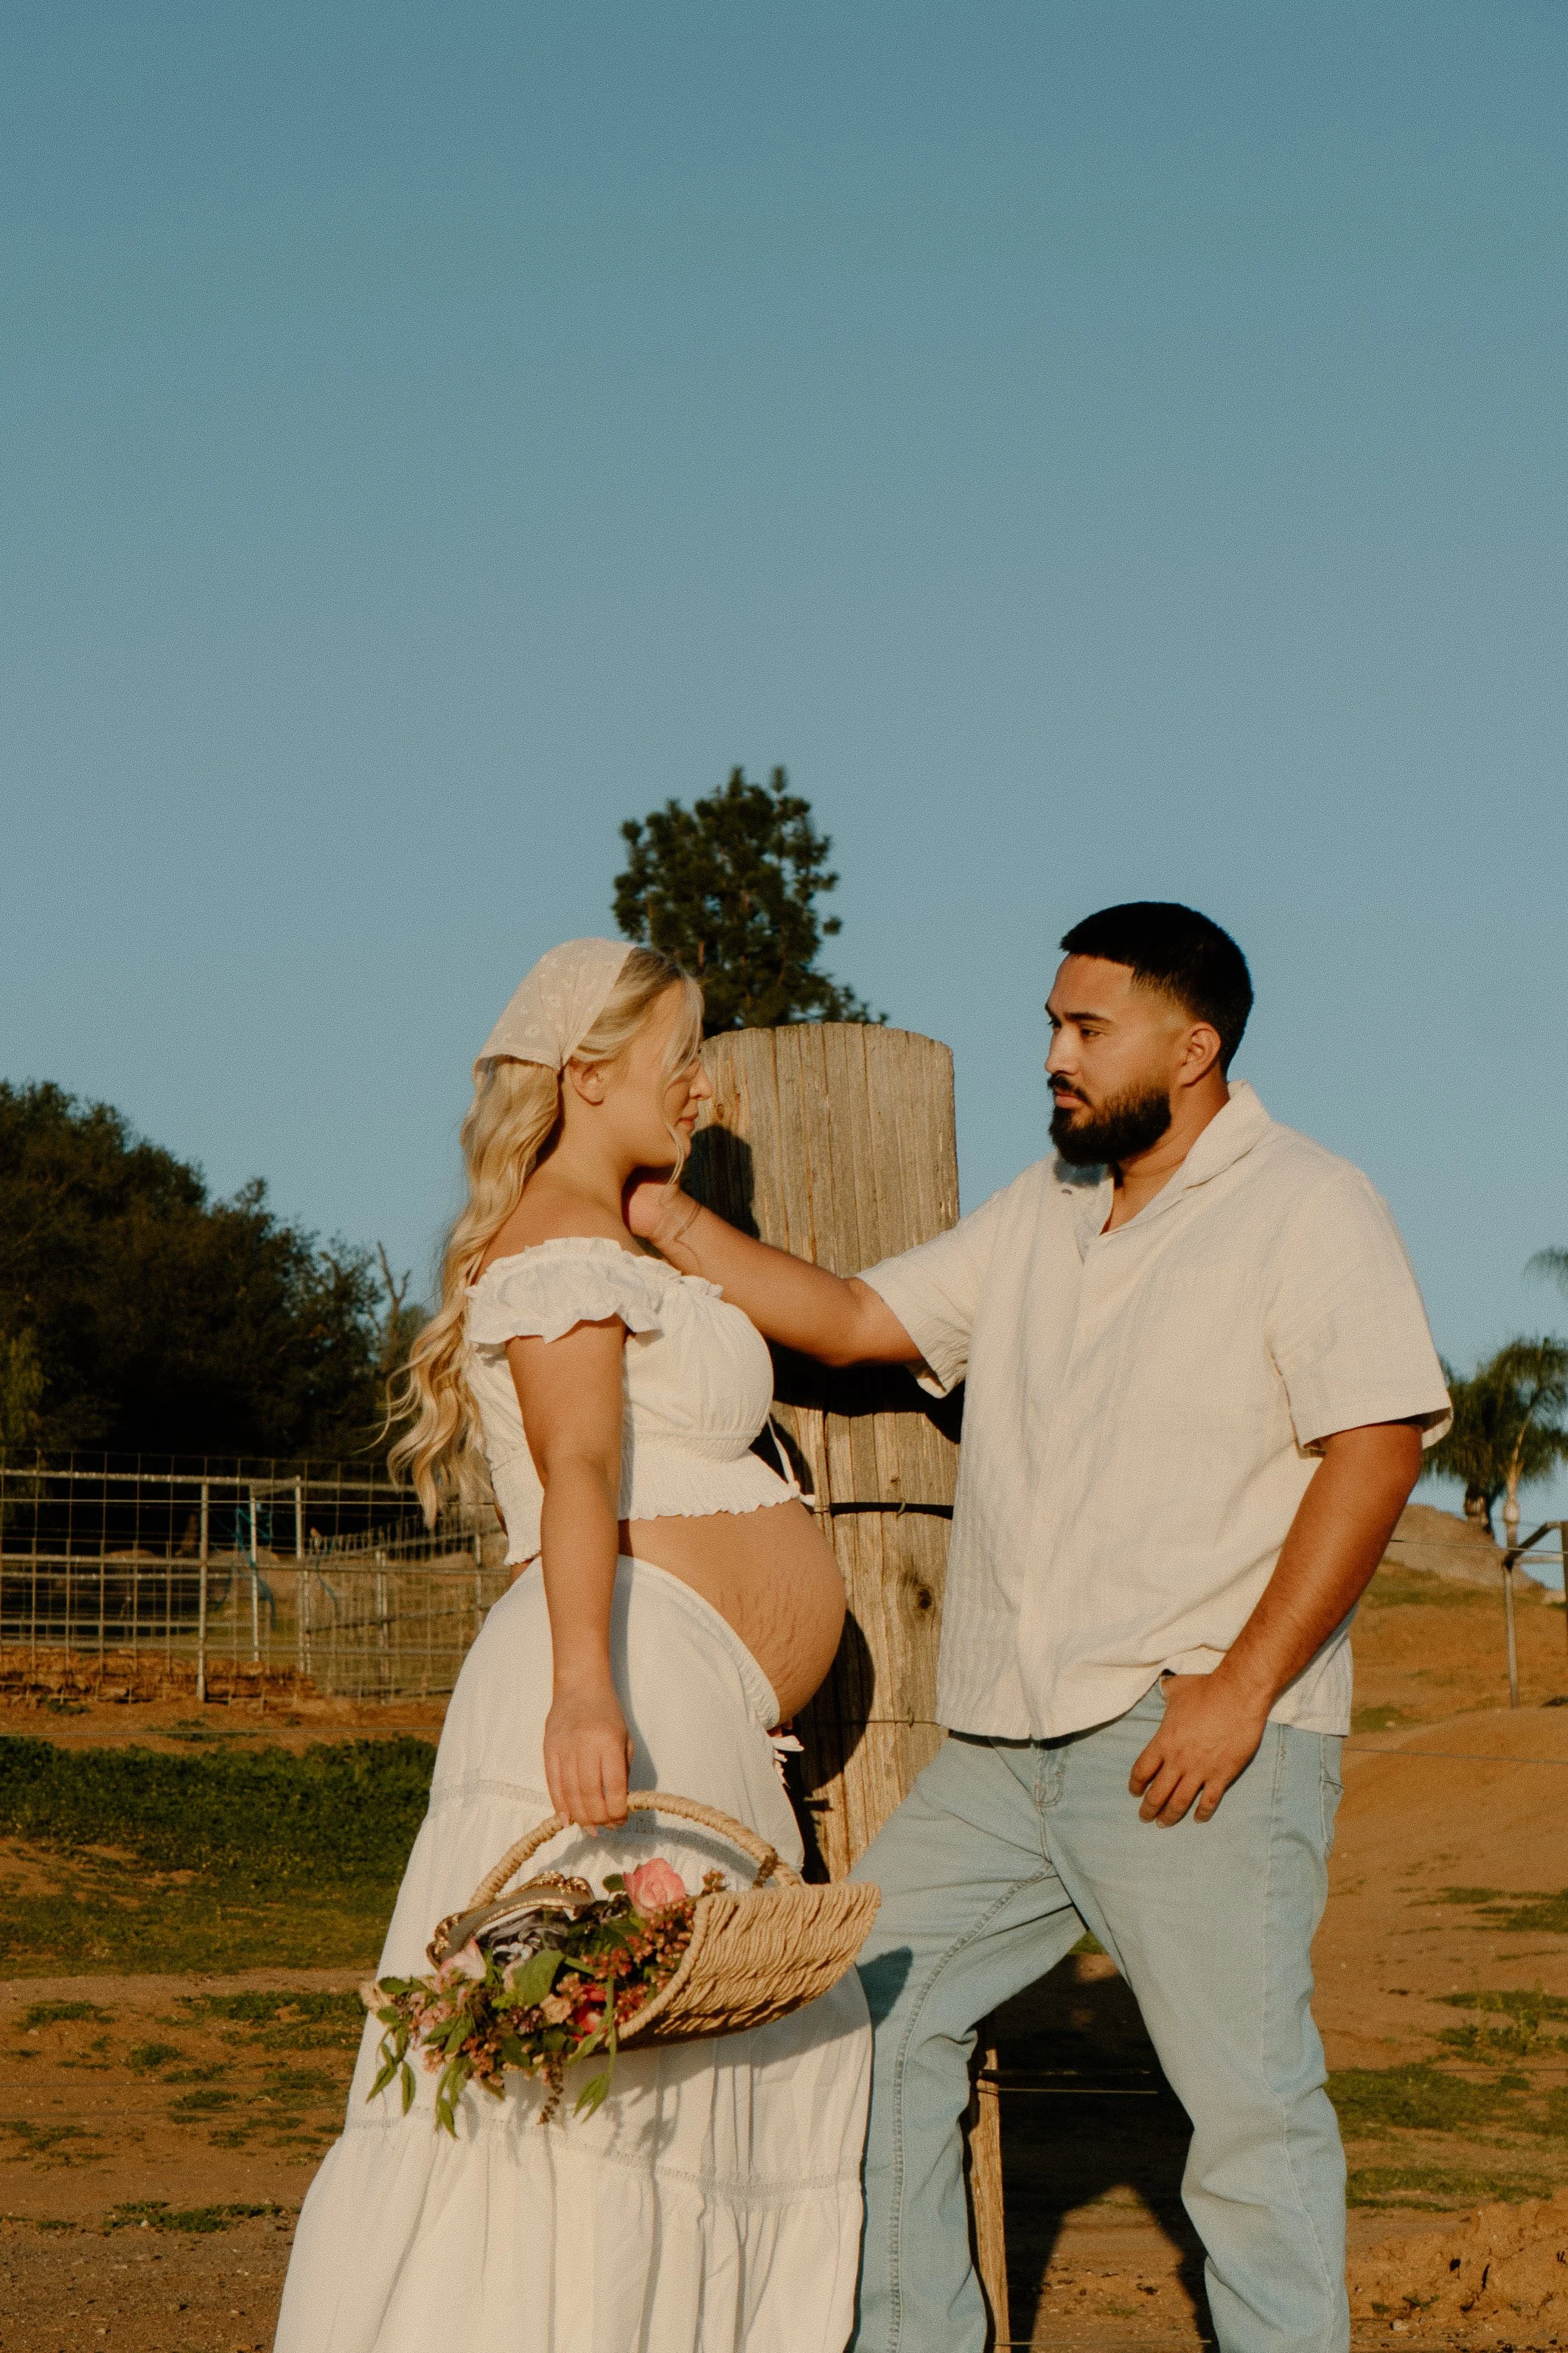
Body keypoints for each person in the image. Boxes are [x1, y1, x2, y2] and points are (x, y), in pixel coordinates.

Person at [629, 902, 1450, 2353]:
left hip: (1191, 1735)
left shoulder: (1308, 1203)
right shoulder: (1043, 1209)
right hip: (1003, 1747)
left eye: (1087, 1029)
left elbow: (1375, 1445)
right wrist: (666, 1216)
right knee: (858, 2013)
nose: (1055, 1057)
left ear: (1192, 1048)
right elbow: (858, 1321)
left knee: (1247, 2111)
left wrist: (1241, 1687)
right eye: (1051, 1027)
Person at [274, 938, 871, 2353]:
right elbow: (581, 1471)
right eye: (680, 1058)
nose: (705, 1085)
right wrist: (586, 1692)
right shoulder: (552, 1250)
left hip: (699, 1696)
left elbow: (845, 1325)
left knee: (683, 2076)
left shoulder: (610, 1237)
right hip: (622, 1683)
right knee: (596, 2094)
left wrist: (666, 1214)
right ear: (588, 1075)